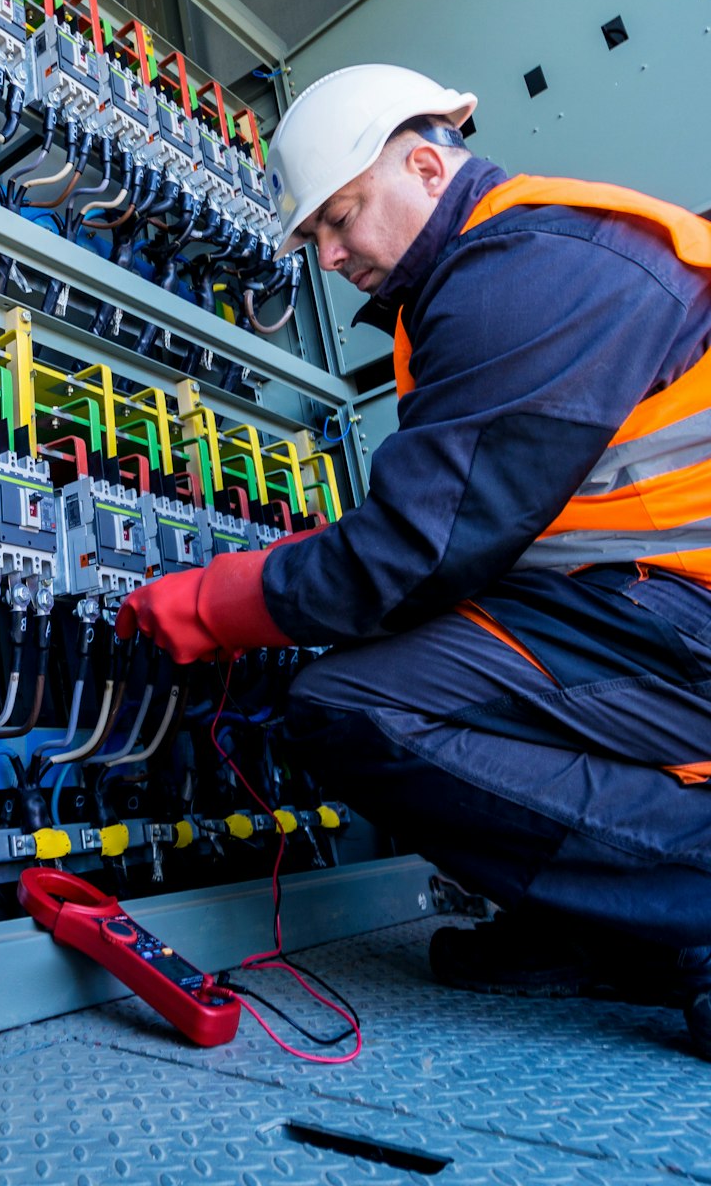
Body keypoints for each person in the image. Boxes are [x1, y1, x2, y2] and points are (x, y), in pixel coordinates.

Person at [116, 63, 711, 1055]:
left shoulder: (526, 271)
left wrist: (221, 601)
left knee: (351, 707)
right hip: (637, 606)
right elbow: (457, 521)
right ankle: (608, 931)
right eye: (316, 238)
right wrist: (310, 566)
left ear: (429, 166)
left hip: (677, 621)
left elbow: (412, 553)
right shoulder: (491, 272)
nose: (333, 253)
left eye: (342, 219)